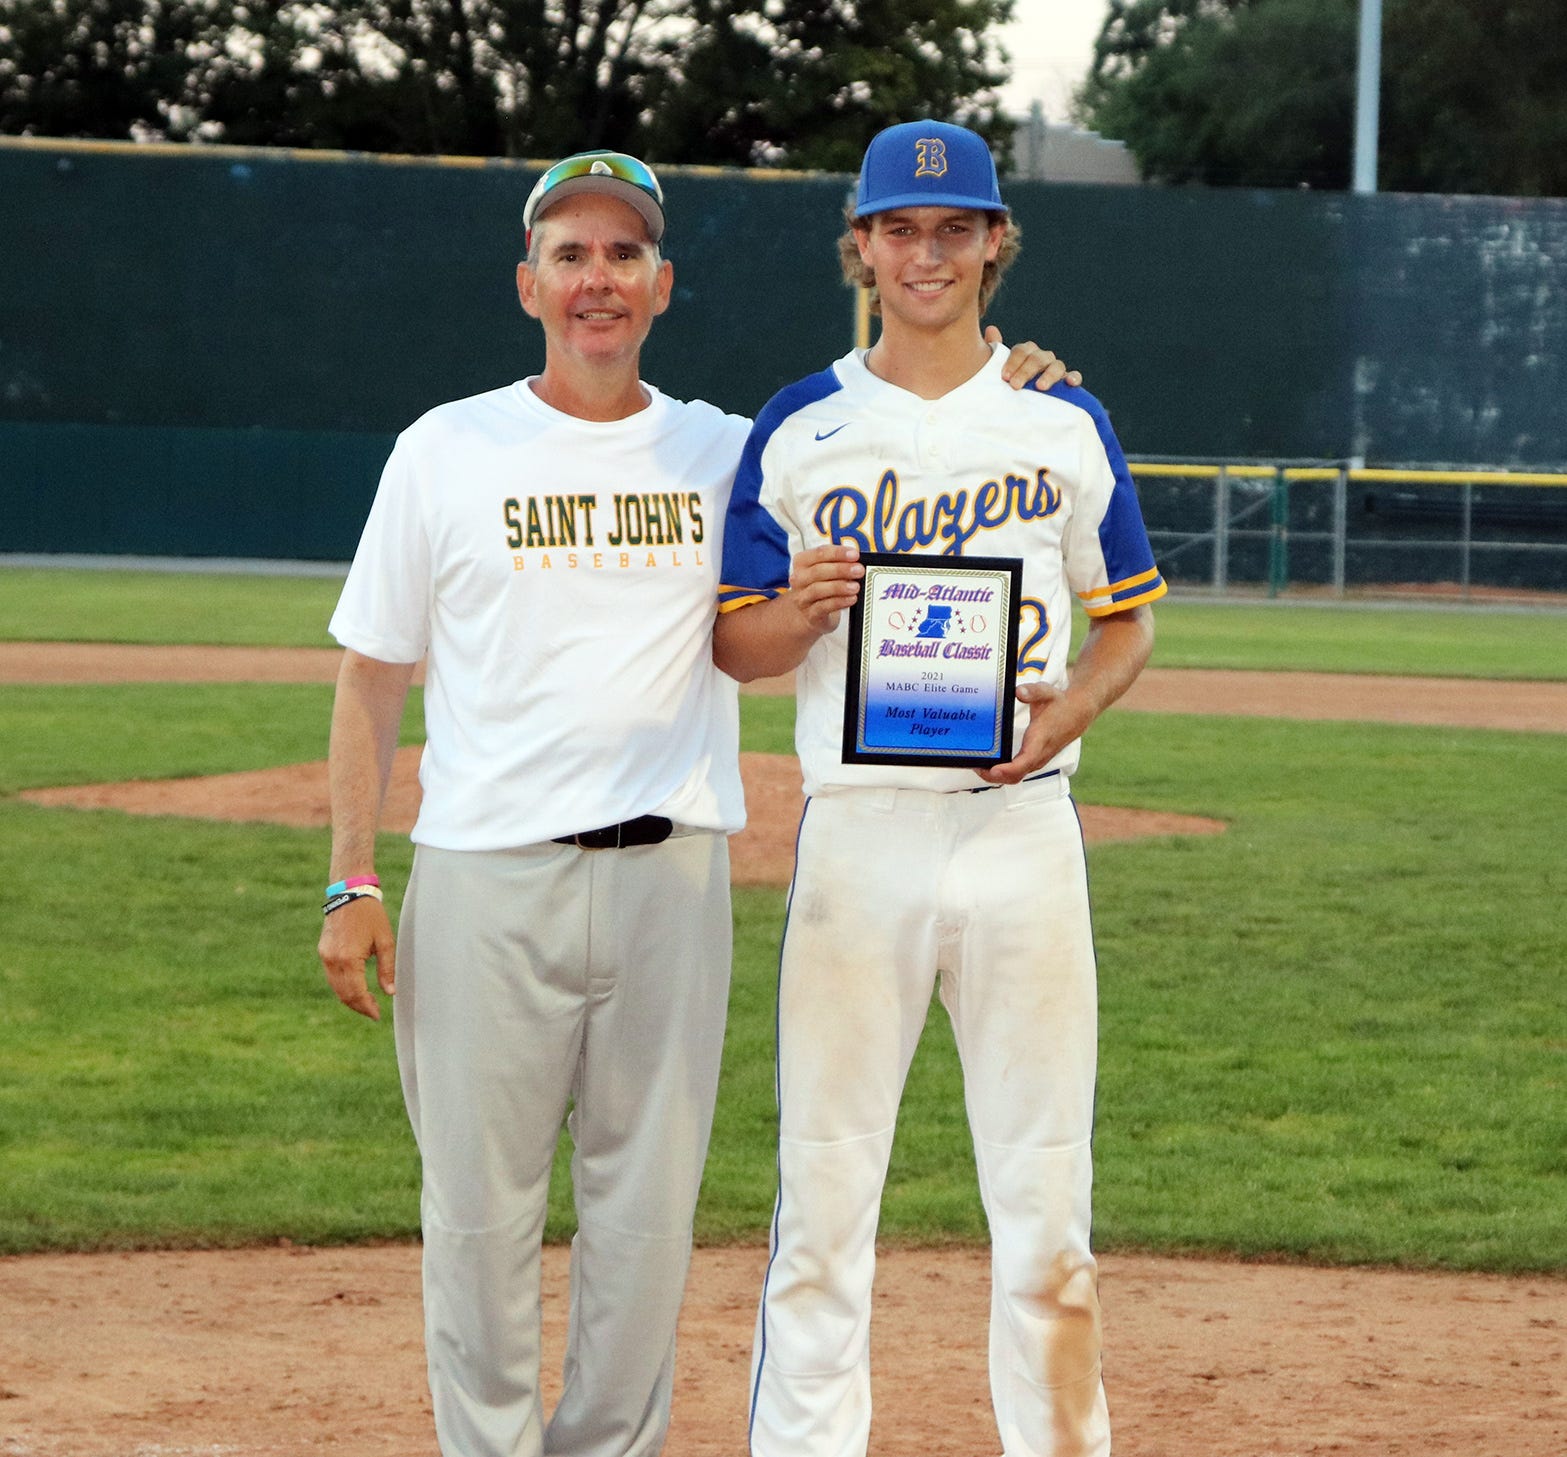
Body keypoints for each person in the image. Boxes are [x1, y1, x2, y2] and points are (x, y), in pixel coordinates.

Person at [316, 147, 1076, 1457]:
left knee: (645, 1218)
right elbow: (372, 678)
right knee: (479, 1215)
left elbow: (892, 437)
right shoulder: (445, 449)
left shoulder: (734, 448)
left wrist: (1013, 386)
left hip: (672, 876)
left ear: (662, 283)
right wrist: (351, 876)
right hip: (485, 878)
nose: (597, 278)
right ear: (528, 282)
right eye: (571, 253)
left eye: (623, 254)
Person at [714, 120, 1168, 1457]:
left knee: (1046, 1195)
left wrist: (1068, 711)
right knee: (825, 1192)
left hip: (1022, 831)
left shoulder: (1061, 416)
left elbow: (1130, 619)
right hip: (860, 835)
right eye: (900, 230)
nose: (927, 253)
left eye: (954, 228)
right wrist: (795, 615)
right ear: (859, 245)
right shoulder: (802, 424)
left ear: (994, 244)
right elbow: (737, 646)